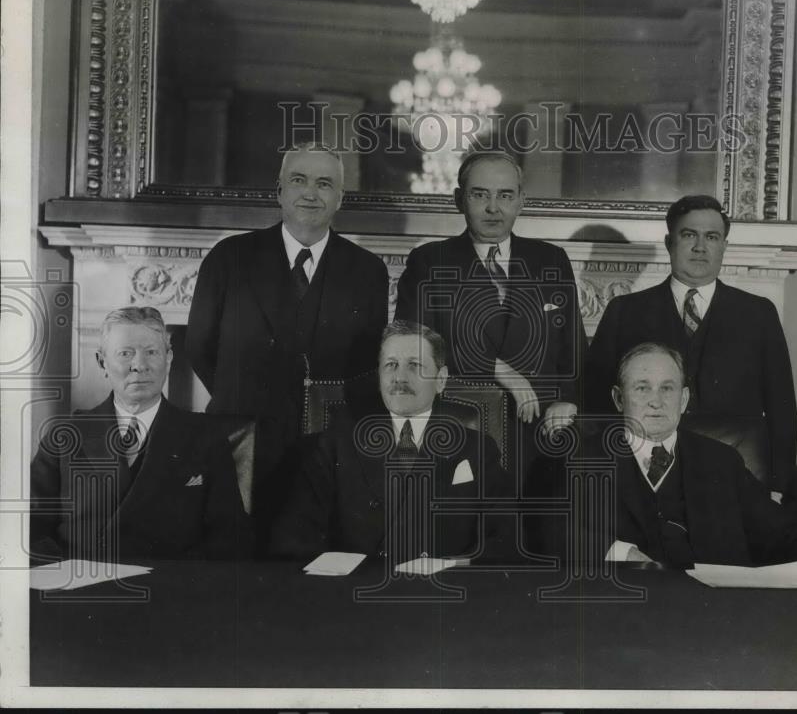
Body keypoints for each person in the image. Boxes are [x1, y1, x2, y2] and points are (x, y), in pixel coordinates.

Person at [186, 142, 389, 543]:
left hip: (326, 449)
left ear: (339, 198)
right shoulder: (230, 257)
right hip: (240, 441)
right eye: (299, 180)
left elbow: (368, 365)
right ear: (279, 190)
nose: (311, 193)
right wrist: (243, 396)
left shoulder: (367, 271)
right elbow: (198, 346)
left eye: (324, 183)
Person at [394, 150, 586, 551]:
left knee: (543, 548)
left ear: (521, 200)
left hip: (542, 438)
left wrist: (567, 402)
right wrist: (500, 369)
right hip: (464, 433)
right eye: (480, 194)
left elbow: (574, 354)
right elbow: (416, 351)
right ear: (458, 199)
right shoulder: (430, 261)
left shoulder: (551, 259)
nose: (493, 208)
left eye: (505, 195)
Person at [584, 195, 797, 498]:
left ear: (724, 244)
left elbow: (782, 408)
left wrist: (777, 487)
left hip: (734, 479)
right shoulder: (625, 311)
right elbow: (596, 403)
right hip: (643, 477)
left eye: (712, 237)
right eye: (689, 235)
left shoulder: (758, 313)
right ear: (669, 242)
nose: (700, 247)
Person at [270, 320, 511, 563]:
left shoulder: (477, 449)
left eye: (414, 365)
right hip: (355, 591)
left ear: (441, 380)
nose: (399, 377)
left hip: (440, 593)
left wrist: (453, 564)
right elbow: (293, 537)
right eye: (391, 365)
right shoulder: (336, 444)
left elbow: (506, 540)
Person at [30, 307, 252, 564]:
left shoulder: (206, 437)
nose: (140, 365)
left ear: (168, 358)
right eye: (125, 353)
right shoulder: (64, 436)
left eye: (151, 352)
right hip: (82, 591)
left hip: (170, 593)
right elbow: (28, 528)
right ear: (102, 361)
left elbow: (230, 535)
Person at [587, 342, 797, 567]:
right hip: (630, 605)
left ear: (683, 400)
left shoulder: (721, 460)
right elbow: (555, 530)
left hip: (714, 607)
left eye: (667, 388)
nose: (656, 401)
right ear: (619, 399)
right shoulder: (582, 458)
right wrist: (622, 553)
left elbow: (779, 526)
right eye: (642, 388)